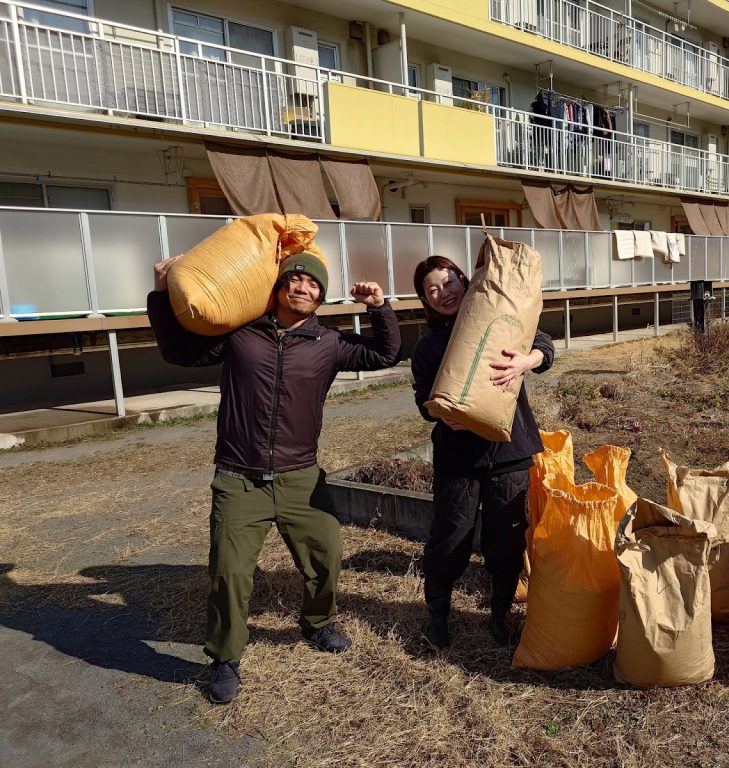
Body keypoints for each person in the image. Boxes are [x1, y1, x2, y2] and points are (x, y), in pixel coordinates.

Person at [148, 251, 401, 704]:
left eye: (313, 284)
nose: (303, 288)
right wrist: (161, 293)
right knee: (229, 573)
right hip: (238, 477)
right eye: (295, 280)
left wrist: (378, 307)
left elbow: (384, 353)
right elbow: (178, 351)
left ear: (321, 296)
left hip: (301, 476)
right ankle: (225, 657)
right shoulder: (240, 333)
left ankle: (318, 624)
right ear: (279, 287)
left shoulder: (328, 343)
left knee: (327, 555)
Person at [410, 255, 554, 649]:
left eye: (448, 281)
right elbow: (424, 401)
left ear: (463, 278)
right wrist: (440, 412)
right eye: (432, 289)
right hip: (458, 457)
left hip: (510, 450)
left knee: (506, 541)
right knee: (451, 536)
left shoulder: (497, 315)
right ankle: (438, 614)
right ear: (425, 299)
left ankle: (500, 614)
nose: (444, 293)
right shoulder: (428, 346)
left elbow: (544, 344)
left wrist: (527, 361)